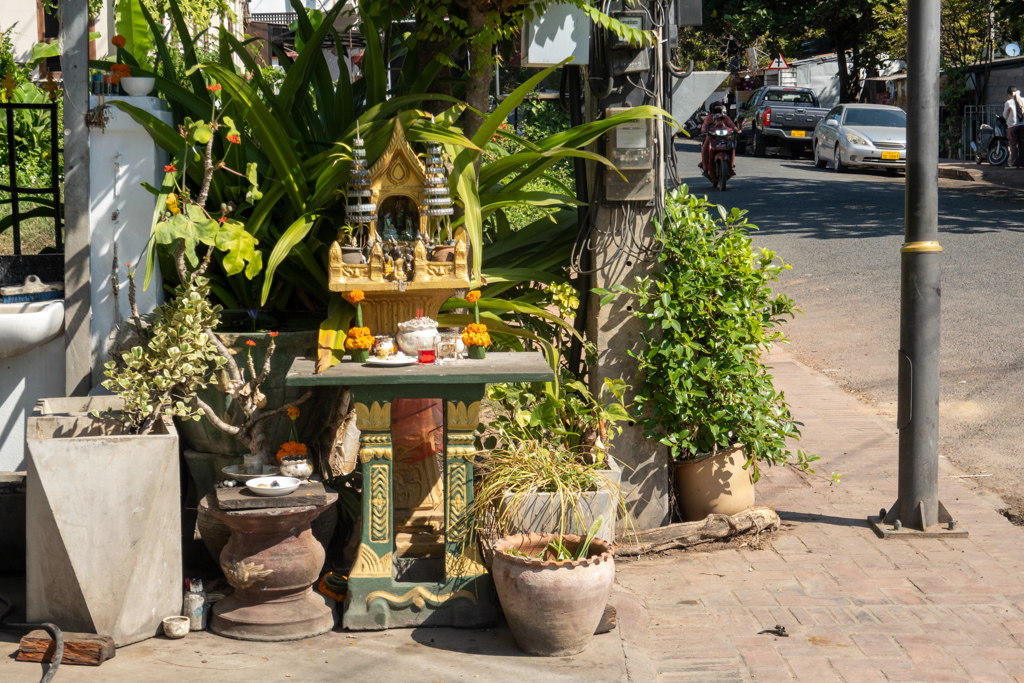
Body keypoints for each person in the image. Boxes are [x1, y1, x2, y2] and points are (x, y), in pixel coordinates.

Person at [699, 102, 737, 177]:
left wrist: (736, 129)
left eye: (720, 107)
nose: (718, 109)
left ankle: (731, 168)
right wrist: (704, 130)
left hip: (725, 138)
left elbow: (732, 125)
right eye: (716, 107)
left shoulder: (725, 117)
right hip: (711, 138)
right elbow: (704, 126)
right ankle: (705, 168)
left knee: (732, 147)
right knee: (706, 147)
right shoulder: (708, 118)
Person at [1004, 86, 1024, 169]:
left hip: (1013, 125)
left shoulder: (1008, 102)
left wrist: (1007, 119)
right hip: (1023, 124)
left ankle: (1015, 163)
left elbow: (1005, 115)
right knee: (1022, 144)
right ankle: (1023, 163)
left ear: (1009, 94)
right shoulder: (1023, 100)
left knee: (1013, 144)